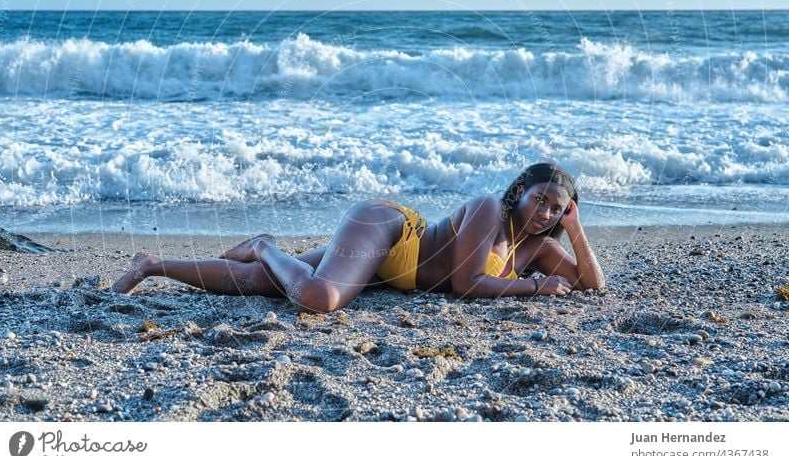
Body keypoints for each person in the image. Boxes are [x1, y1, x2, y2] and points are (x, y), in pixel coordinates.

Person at [112, 162, 605, 313]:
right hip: (386, 232)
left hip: (387, 270)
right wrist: (535, 287)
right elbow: (468, 283)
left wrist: (577, 231)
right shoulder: (487, 210)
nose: (544, 213)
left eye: (556, 210)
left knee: (263, 285)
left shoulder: (537, 246)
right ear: (519, 192)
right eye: (539, 199)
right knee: (318, 297)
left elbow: (592, 285)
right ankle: (263, 243)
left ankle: (152, 264)